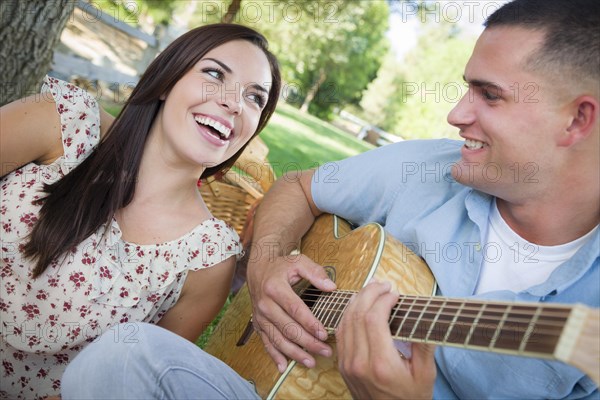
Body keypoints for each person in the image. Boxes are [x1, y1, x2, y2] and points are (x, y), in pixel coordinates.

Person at [58, 0, 598, 398]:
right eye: (466, 88)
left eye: (489, 95)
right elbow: (296, 187)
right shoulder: (430, 169)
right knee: (121, 354)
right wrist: (269, 262)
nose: (456, 114)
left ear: (578, 119)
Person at [0, 23, 281, 399]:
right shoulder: (63, 123)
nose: (233, 102)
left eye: (254, 98)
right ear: (166, 81)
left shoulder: (208, 259)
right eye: (214, 74)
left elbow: (123, 384)